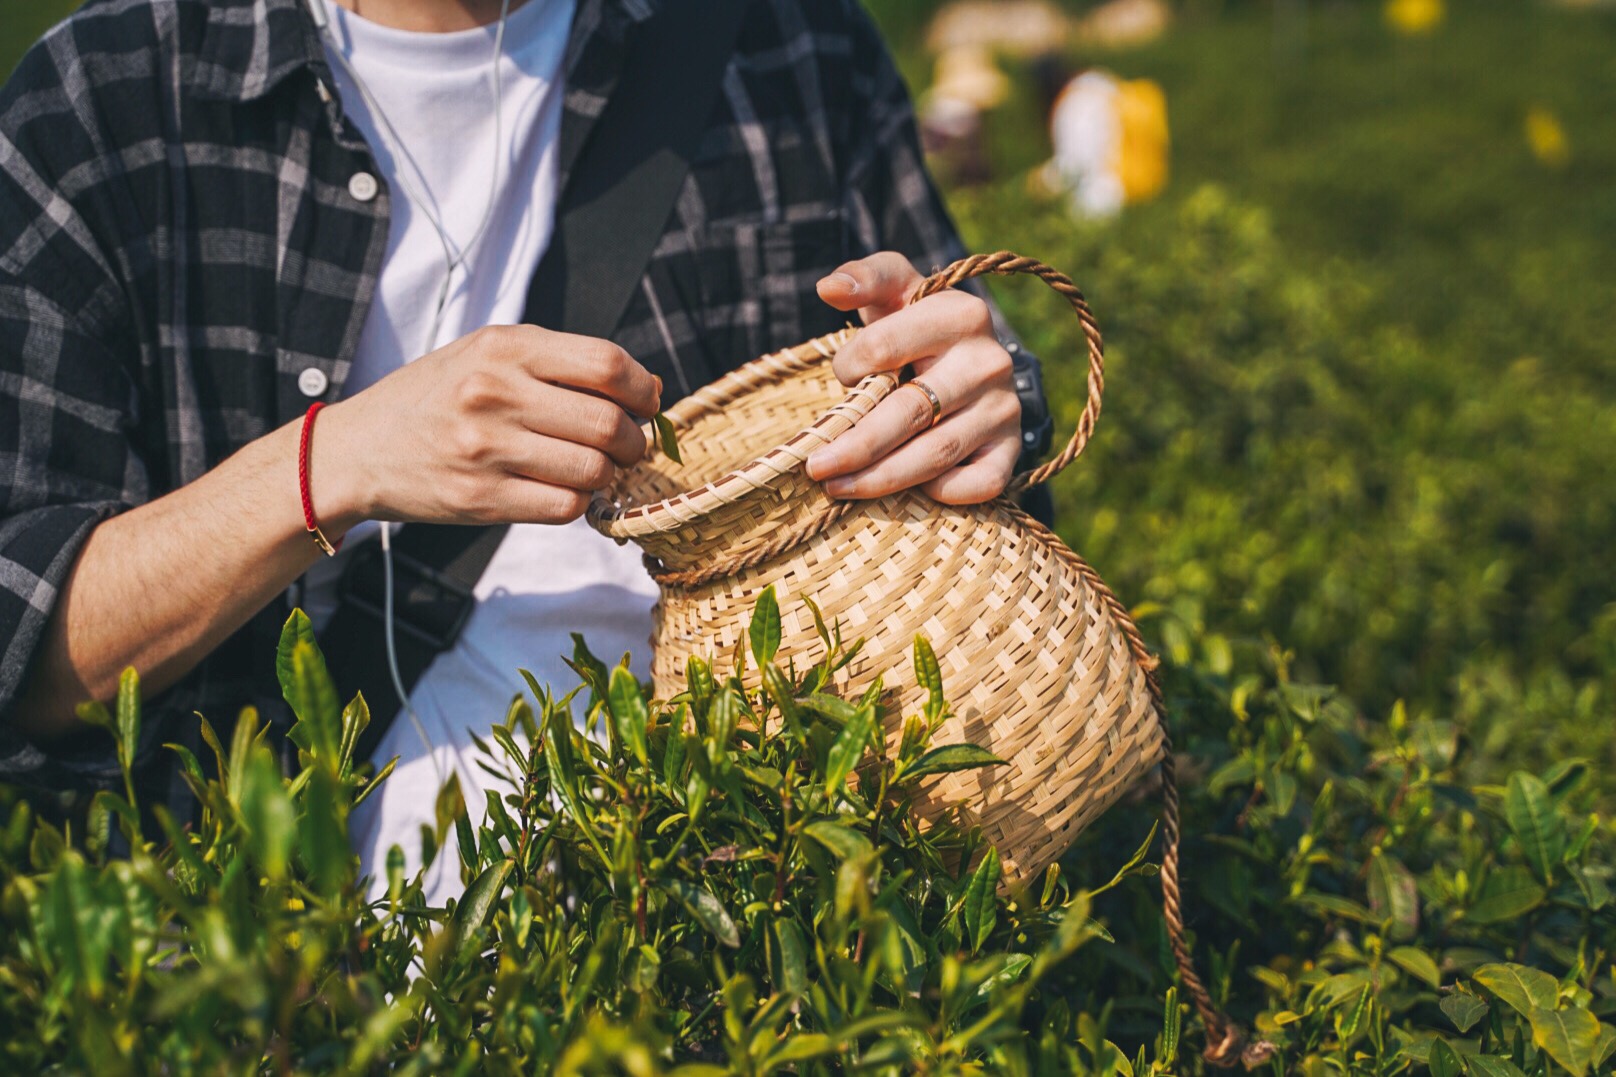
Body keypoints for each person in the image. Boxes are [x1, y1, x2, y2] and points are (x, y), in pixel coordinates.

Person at [0, 0, 1053, 900]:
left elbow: (961, 416)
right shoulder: (107, 98)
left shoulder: (781, 45)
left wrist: (985, 401)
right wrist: (329, 467)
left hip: (773, 889)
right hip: (294, 965)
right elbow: (32, 653)